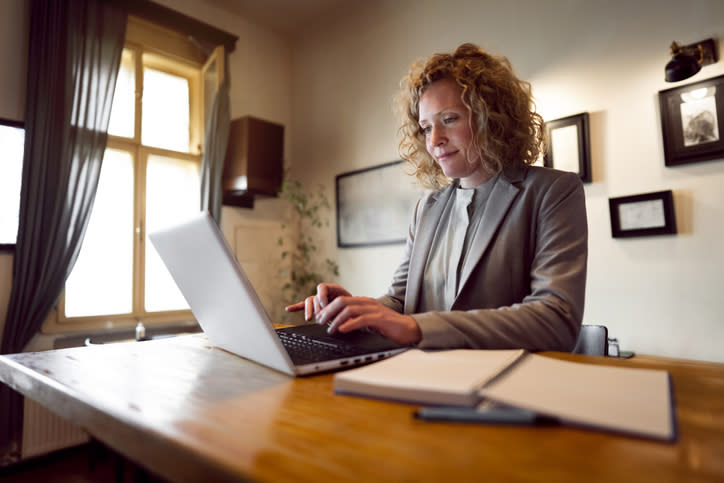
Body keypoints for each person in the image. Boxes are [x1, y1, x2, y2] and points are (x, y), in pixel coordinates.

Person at [286, 43, 588, 352]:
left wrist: (417, 327)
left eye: (450, 119)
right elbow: (401, 301)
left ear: (492, 118)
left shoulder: (553, 191)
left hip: (509, 386)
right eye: (426, 127)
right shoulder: (426, 208)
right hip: (423, 378)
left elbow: (556, 319)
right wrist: (356, 310)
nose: (435, 140)